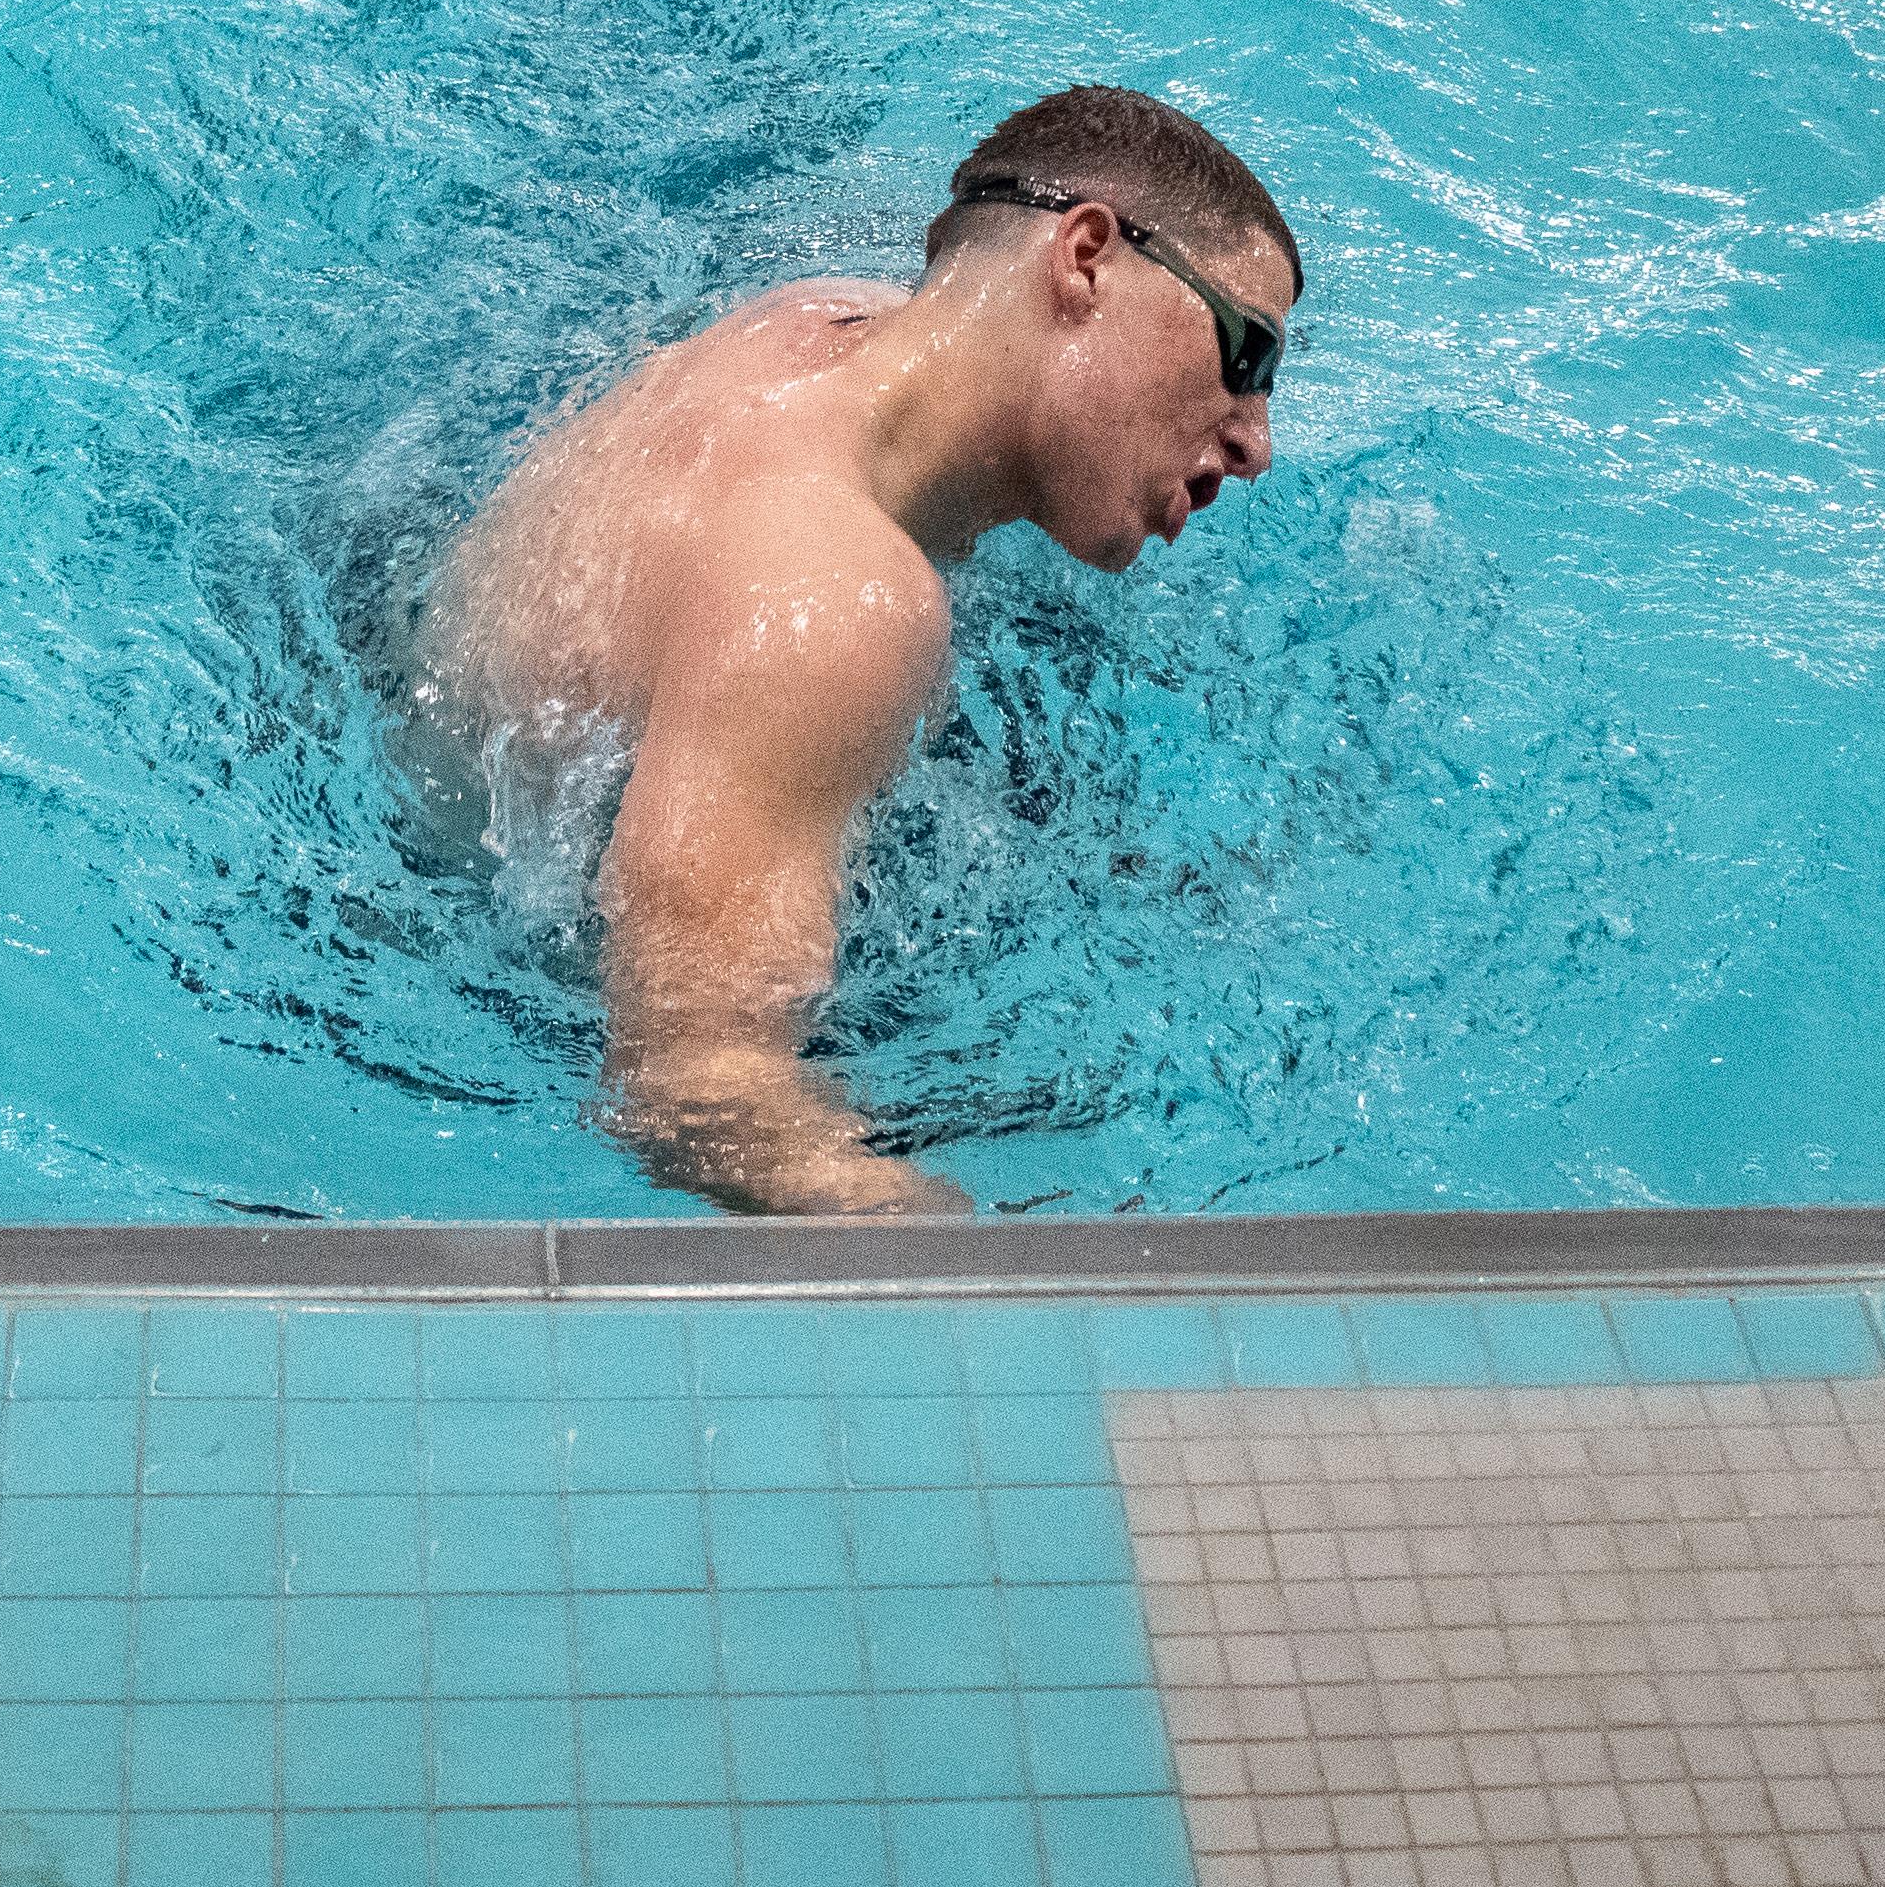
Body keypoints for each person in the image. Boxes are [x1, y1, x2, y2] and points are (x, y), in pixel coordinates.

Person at [416, 84, 1301, 1215]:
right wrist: (972, 1253)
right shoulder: (833, 600)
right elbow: (695, 1089)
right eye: (1248, 354)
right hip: (469, 1014)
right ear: (1086, 258)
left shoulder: (808, 326)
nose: (1256, 440)